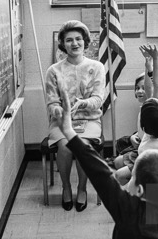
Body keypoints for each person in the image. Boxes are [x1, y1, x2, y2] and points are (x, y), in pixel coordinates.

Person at [56, 82, 158, 239]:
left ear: (140, 190)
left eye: (134, 177)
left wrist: (69, 132)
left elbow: (100, 174)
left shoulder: (128, 211)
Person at [45, 20, 105, 211]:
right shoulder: (53, 70)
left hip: (89, 120)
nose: (75, 43)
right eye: (69, 40)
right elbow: (52, 102)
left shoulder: (97, 67)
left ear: (85, 41)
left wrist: (82, 104)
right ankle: (66, 187)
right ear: (62, 43)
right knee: (65, 146)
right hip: (62, 121)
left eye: (78, 39)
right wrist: (59, 110)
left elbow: (98, 99)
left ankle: (81, 189)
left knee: (81, 146)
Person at [114, 44, 158, 185]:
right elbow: (157, 86)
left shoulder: (145, 142)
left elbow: (154, 87)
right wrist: (154, 60)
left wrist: (153, 61)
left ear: (143, 127)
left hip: (152, 177)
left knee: (120, 177)